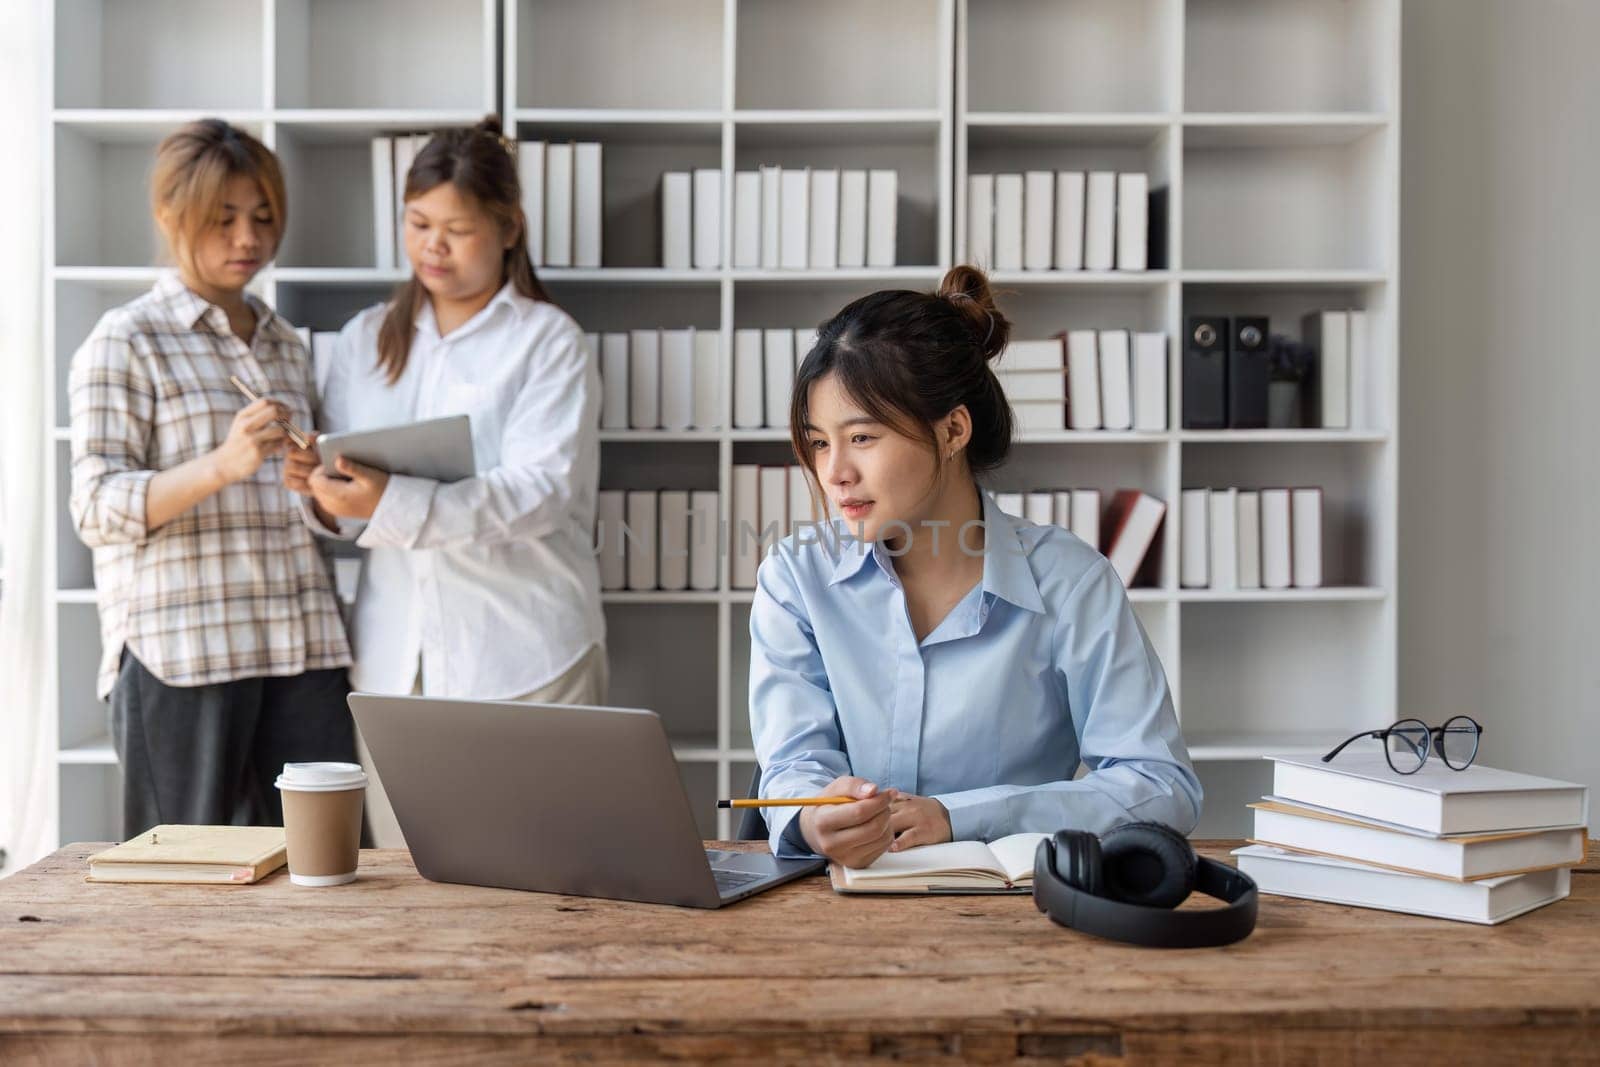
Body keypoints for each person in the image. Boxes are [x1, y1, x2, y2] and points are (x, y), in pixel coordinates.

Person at [749, 265, 1201, 867]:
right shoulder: (795, 577)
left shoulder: (1070, 582)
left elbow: (1162, 786)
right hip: (837, 907)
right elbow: (792, 766)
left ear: (953, 429)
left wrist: (961, 817)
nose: (834, 473)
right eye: (821, 442)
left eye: (862, 438)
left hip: (1013, 914)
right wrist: (810, 815)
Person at [283, 118, 605, 846]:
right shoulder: (365, 338)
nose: (433, 245)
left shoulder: (547, 340)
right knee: (410, 883)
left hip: (525, 653)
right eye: (418, 222)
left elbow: (542, 490)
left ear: (509, 227)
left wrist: (391, 499)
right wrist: (321, 494)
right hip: (397, 660)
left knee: (543, 873)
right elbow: (345, 508)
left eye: (456, 229)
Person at [69, 119, 355, 837]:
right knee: (181, 885)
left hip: (300, 645)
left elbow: (317, 511)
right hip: (184, 654)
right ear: (170, 216)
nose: (247, 239)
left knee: (328, 868)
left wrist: (314, 485)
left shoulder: (286, 342)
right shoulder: (126, 339)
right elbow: (96, 508)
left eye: (262, 217)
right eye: (222, 219)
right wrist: (220, 466)